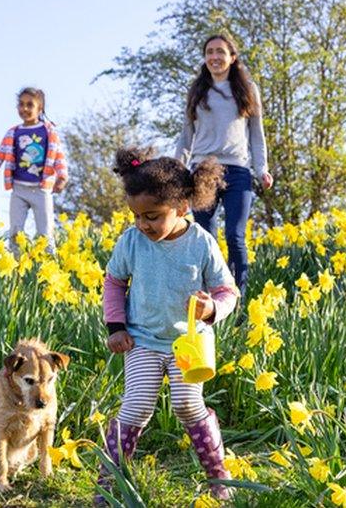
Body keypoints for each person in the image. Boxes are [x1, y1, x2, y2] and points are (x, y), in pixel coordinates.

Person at [98, 146, 240, 503]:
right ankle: (108, 484)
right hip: (143, 340)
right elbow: (114, 281)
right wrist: (116, 327)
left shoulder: (202, 244)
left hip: (189, 343)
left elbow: (228, 291)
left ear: (182, 208)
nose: (143, 225)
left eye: (152, 216)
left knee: (187, 406)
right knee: (136, 406)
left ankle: (218, 479)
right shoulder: (131, 241)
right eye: (137, 216)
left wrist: (212, 310)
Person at [175, 34, 273, 296]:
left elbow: (256, 133)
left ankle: (236, 298)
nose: (214, 57)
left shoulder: (247, 90)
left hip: (238, 170)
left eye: (220, 52)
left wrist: (262, 168)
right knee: (205, 238)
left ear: (232, 57)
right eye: (209, 52)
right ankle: (210, 296)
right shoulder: (197, 91)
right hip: (202, 171)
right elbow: (186, 135)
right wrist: (177, 169)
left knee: (235, 236)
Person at [0, 87, 68, 255]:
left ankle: (51, 268)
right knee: (15, 232)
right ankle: (16, 269)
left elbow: (58, 156)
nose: (25, 109)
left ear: (40, 108)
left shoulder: (48, 131)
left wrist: (62, 177)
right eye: (21, 105)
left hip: (41, 190)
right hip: (19, 189)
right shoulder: (13, 133)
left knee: (45, 233)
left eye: (30, 105)